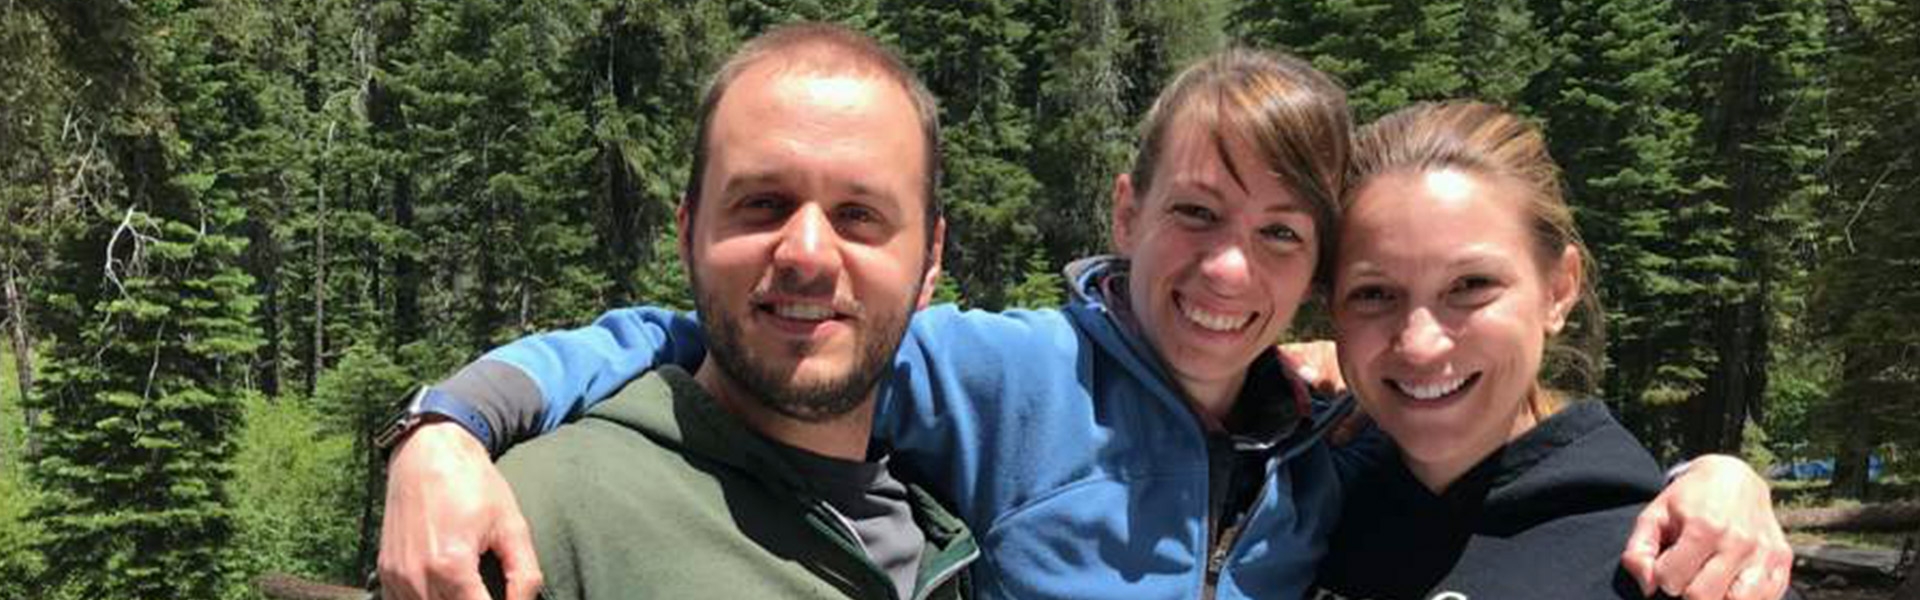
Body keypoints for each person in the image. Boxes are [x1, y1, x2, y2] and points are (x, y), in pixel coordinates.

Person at [377, 48, 1792, 600]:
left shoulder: (1329, 438)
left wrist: (1718, 477)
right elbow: (720, 327)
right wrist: (453, 422)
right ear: (1125, 209)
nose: (1226, 269)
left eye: (1282, 238)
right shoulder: (1006, 370)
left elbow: (1523, 465)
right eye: (1193, 213)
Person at [383, 23, 976, 600]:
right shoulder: (532, 529)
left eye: (859, 214)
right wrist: (440, 426)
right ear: (689, 233)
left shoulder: (950, 531)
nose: (809, 254)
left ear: (930, 259)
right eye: (764, 204)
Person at [1309, 102, 1796, 599]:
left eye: (1471, 285)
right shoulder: (1293, 505)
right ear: (1333, 311)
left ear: (1559, 290)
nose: (1419, 343)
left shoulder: (1678, 567)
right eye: (1373, 293)